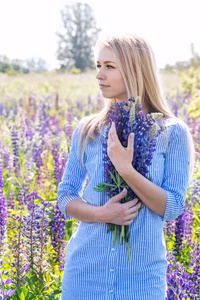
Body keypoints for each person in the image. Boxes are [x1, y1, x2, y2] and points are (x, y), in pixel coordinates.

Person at [57, 34, 194, 299]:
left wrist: (126, 170)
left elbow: (173, 208)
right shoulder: (89, 129)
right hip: (84, 275)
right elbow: (65, 196)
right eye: (98, 65)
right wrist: (102, 214)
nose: (99, 75)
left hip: (142, 280)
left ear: (134, 69)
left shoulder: (172, 132)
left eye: (109, 66)